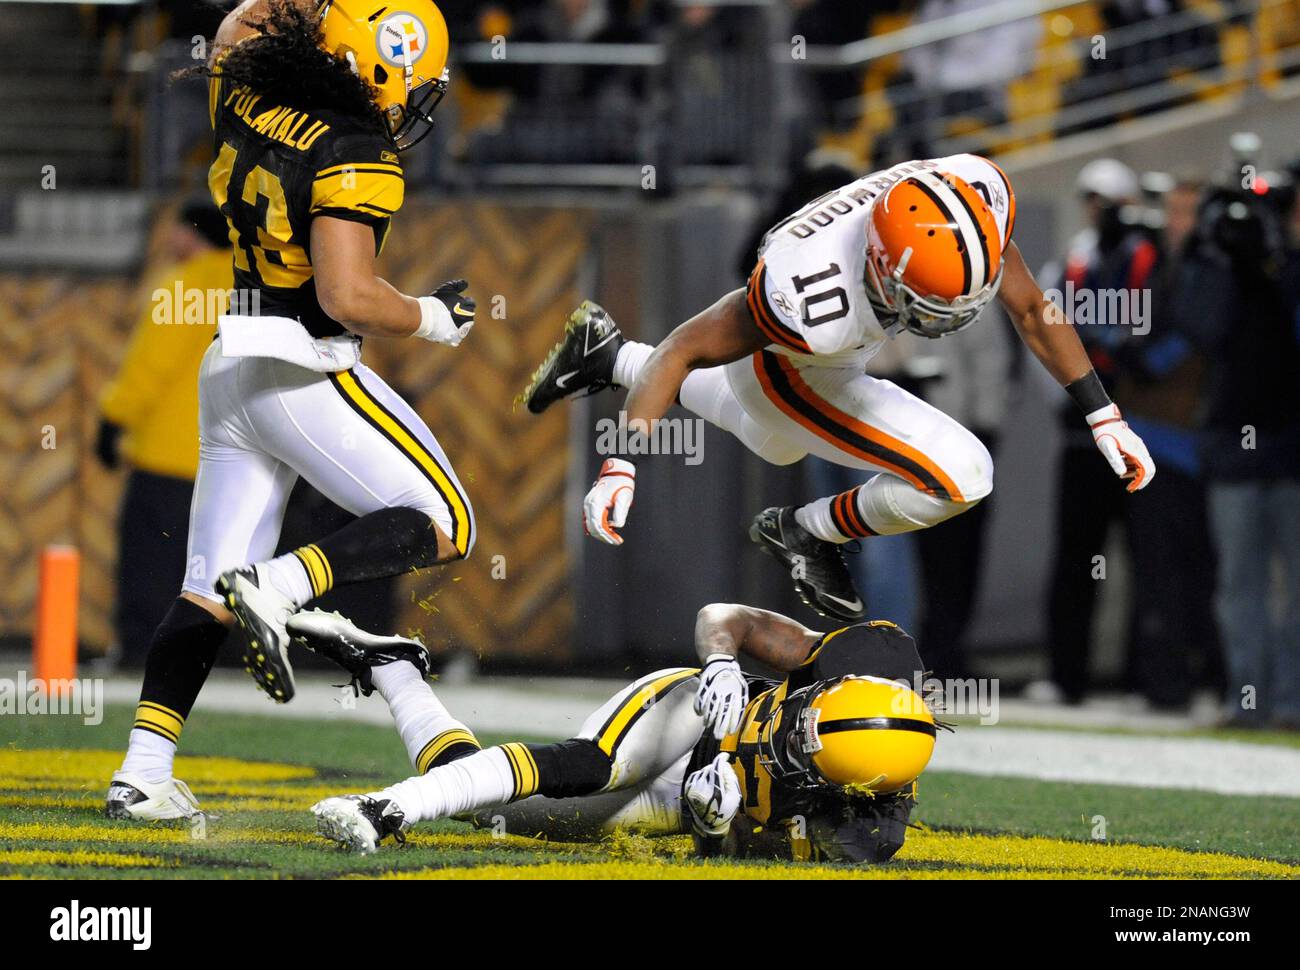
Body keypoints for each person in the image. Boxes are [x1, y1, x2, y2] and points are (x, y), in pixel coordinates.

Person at [106, 0, 480, 822]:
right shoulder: (357, 148)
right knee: (446, 519)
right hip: (302, 366)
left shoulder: (245, 89)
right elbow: (345, 295)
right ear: (381, 64)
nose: (416, 100)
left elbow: (241, 21)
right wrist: (431, 317)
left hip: (230, 361)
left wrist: (323, 11)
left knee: (204, 588)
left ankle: (141, 774)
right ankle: (280, 586)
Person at [522, 153, 1156, 622]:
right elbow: (684, 348)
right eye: (928, 306)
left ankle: (607, 354)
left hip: (831, 353)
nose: (947, 322)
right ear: (880, 268)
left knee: (776, 445)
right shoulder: (809, 293)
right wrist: (621, 467)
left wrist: (1105, 418)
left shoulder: (965, 202)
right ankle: (804, 531)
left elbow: (1031, 310)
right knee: (965, 474)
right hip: (789, 364)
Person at [304, 603, 937, 862]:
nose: (789, 734)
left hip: (692, 805)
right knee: (598, 763)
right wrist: (720, 663)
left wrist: (717, 827)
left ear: (850, 789)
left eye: (803, 750)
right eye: (804, 720)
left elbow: (732, 857)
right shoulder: (870, 660)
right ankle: (389, 805)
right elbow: (726, 617)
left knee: (488, 809)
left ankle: (392, 670)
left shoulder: (864, 832)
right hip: (703, 712)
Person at [1036, 158, 1154, 704]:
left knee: (1146, 559)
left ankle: (1143, 676)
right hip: (1084, 436)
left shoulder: (1147, 257)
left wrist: (1131, 358)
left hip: (1140, 426)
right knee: (1076, 557)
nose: (1099, 212)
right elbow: (1044, 332)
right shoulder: (1073, 260)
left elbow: (1153, 335)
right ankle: (1067, 675)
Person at [96, 201, 233, 668]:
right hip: (231, 462)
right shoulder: (251, 290)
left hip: (169, 455)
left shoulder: (183, 285)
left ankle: (140, 653)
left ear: (191, 235)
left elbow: (150, 367)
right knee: (212, 567)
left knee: (152, 562)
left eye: (176, 231)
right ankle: (206, 658)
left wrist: (113, 420)